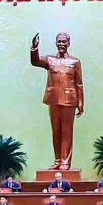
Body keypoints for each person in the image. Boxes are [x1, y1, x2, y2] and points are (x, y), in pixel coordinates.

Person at [30, 33, 85, 170]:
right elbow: (35, 61)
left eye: (64, 42)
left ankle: (65, 161)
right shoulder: (50, 60)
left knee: (67, 131)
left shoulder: (75, 62)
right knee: (56, 131)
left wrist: (81, 103)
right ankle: (58, 160)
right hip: (53, 99)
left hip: (69, 100)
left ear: (68, 43)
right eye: (59, 42)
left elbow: (79, 83)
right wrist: (34, 48)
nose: (61, 44)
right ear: (56, 43)